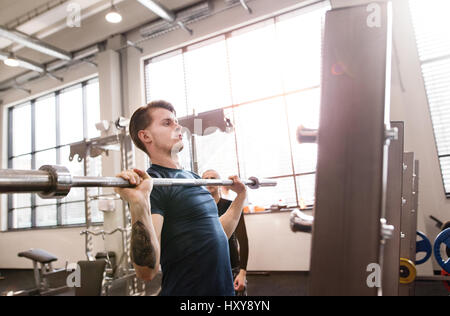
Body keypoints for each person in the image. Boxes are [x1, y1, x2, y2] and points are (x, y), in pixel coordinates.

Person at [114, 100, 247, 296]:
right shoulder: (154, 184)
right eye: (167, 123)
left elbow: (217, 233)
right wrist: (138, 203)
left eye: (176, 121)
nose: (178, 126)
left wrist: (241, 197)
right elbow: (146, 272)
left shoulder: (193, 178)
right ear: (146, 136)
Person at [202, 169, 249, 296]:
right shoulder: (198, 210)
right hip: (208, 268)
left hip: (231, 265)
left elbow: (243, 241)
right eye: (206, 178)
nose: (209, 181)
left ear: (220, 183)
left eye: (213, 178)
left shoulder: (232, 205)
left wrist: (242, 272)